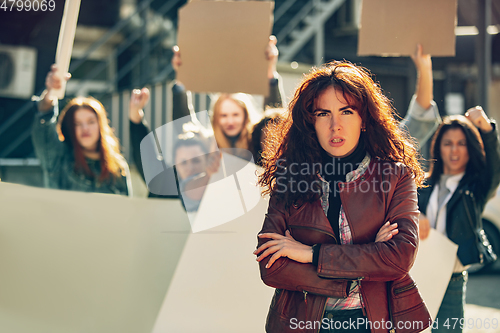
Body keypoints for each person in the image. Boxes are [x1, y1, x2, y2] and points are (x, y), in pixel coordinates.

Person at [253, 61, 431, 333]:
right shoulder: (291, 176)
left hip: (369, 322)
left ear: (364, 120)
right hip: (303, 324)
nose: (335, 125)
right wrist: (365, 261)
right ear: (311, 122)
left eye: (346, 111)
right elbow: (272, 267)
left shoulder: (395, 176)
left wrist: (310, 254)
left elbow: (399, 258)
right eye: (324, 113)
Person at [172, 36, 284, 158]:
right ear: (215, 118)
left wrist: (269, 71)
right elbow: (184, 125)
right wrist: (181, 78)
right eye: (223, 115)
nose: (230, 121)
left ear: (245, 115)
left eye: (235, 115)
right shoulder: (208, 144)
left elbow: (273, 119)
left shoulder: (257, 142)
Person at [32, 65, 132, 196]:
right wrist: (51, 94)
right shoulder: (59, 158)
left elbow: (127, 212)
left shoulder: (118, 167)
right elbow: (43, 126)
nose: (85, 128)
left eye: (91, 122)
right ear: (69, 128)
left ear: (100, 125)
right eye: (77, 124)